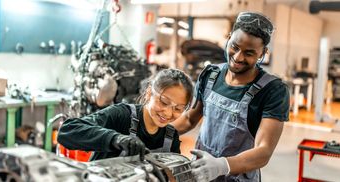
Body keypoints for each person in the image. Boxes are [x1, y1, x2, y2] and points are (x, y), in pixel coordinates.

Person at [172, 11, 290, 182]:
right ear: (228, 38)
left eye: (249, 53)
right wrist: (159, 133)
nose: (237, 57)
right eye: (234, 46)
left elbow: (264, 151)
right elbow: (190, 119)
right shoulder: (210, 74)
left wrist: (221, 165)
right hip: (200, 174)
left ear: (262, 53)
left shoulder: (273, 91)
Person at [57, 68, 193, 161]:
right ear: (149, 93)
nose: (168, 113)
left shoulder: (170, 137)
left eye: (178, 108)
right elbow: (67, 131)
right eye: (164, 102)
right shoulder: (121, 116)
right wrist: (115, 139)